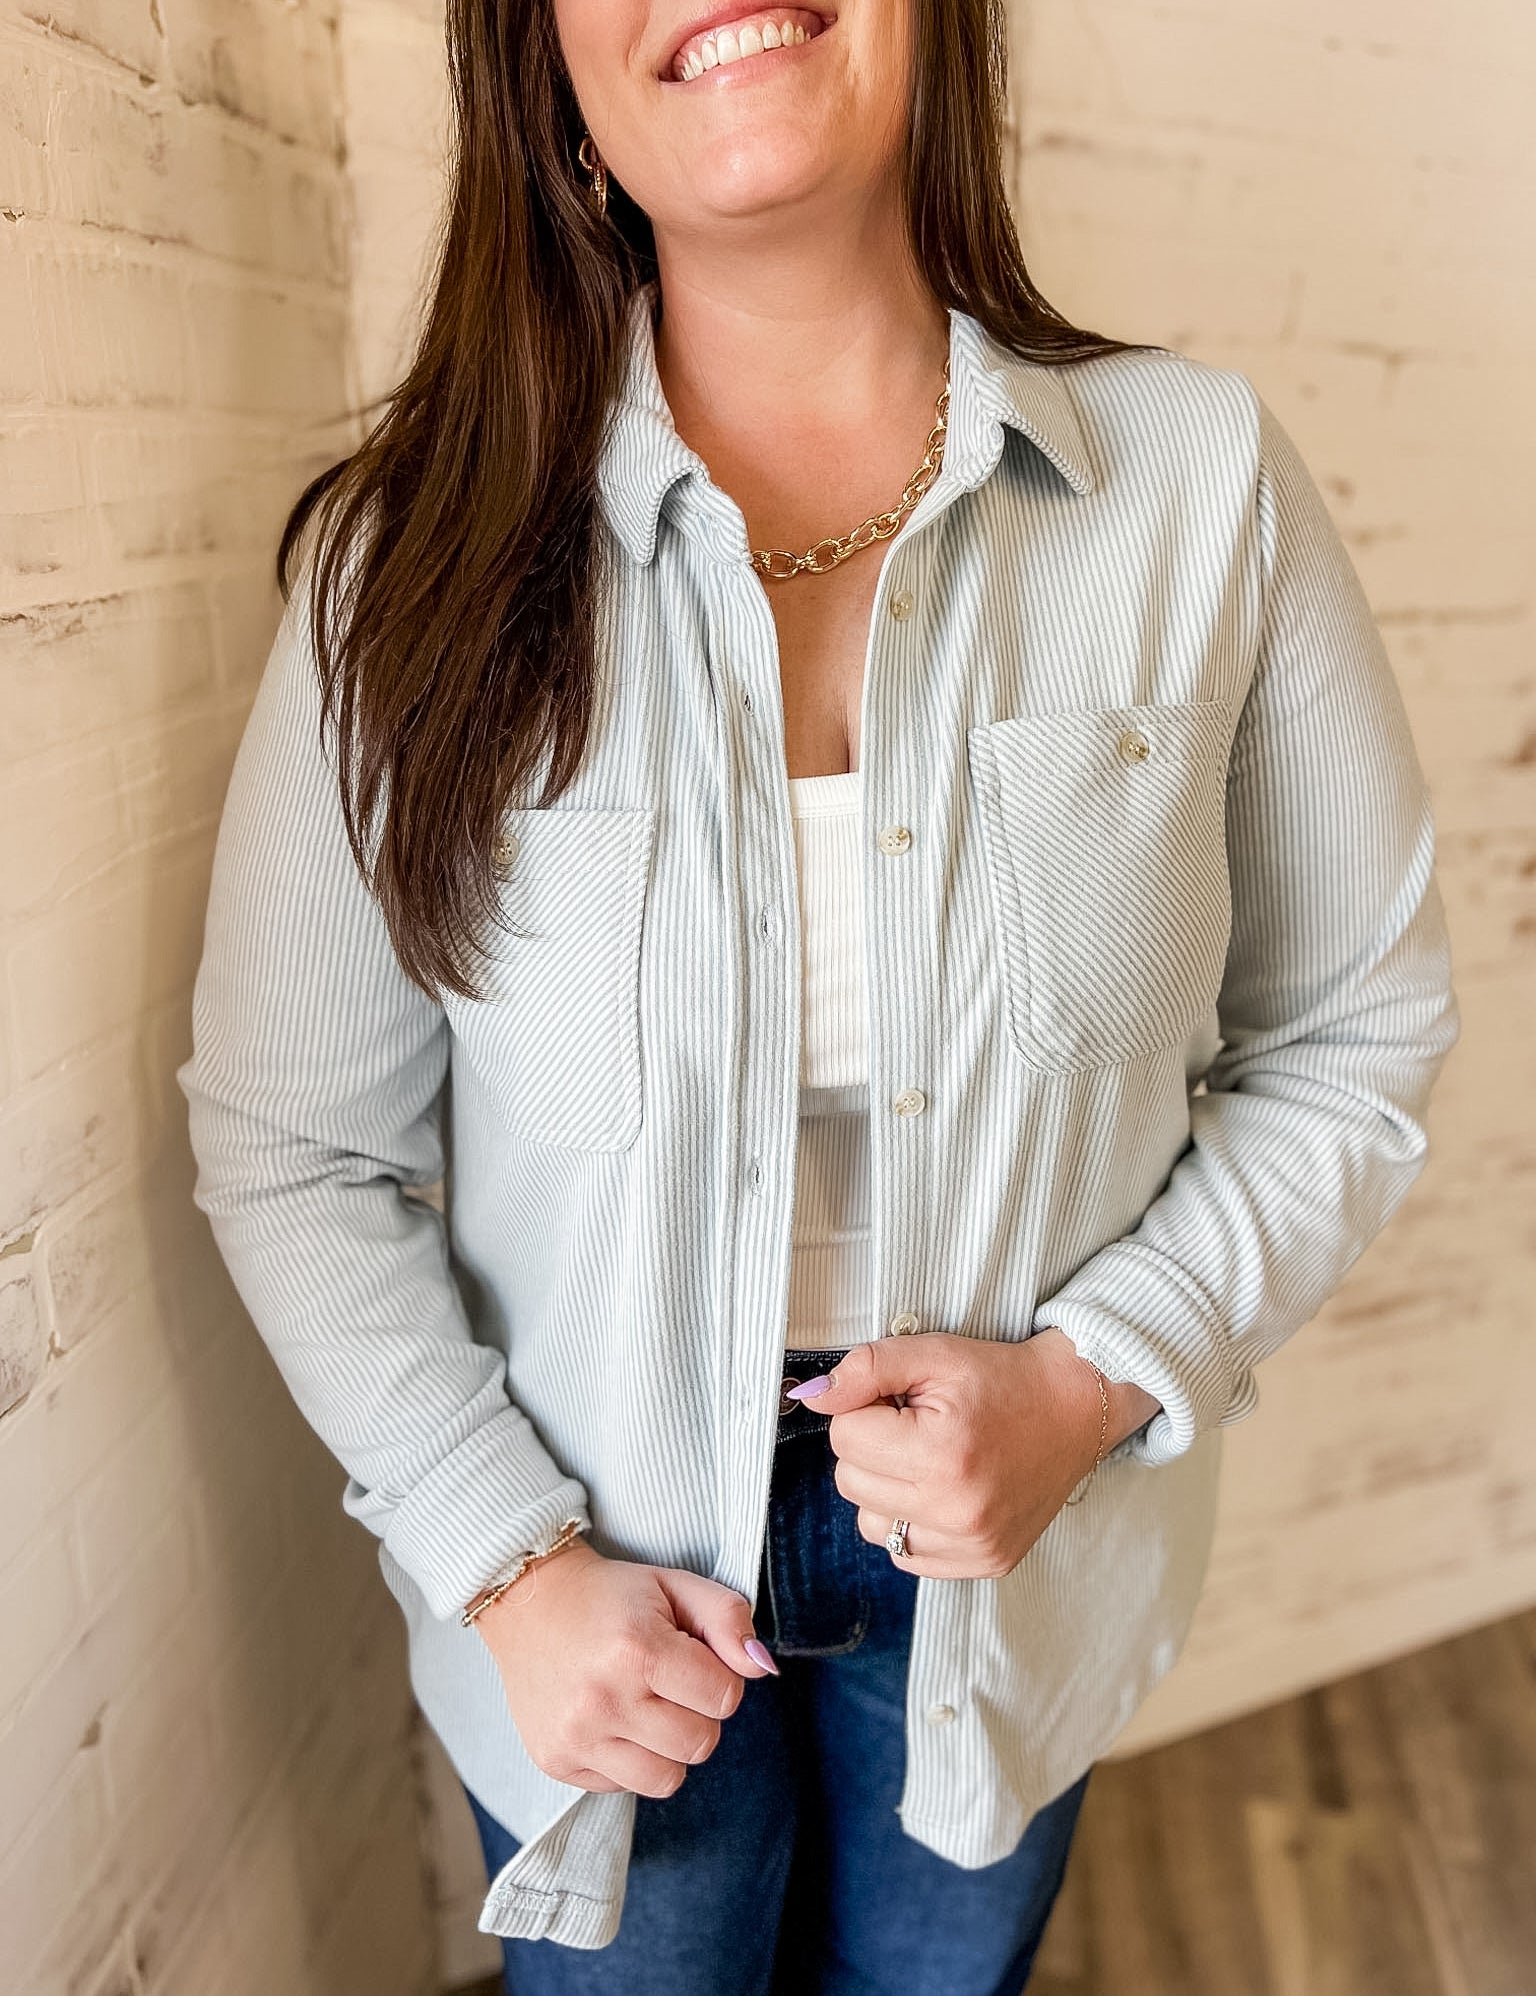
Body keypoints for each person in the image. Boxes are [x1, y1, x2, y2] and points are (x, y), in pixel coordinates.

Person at [179, 1, 1461, 1991]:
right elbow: (291, 1149)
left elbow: (1353, 1038)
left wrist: (1088, 1385)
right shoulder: (398, 569)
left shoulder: (1204, 488)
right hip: (593, 1601)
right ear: (550, 84)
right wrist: (509, 1563)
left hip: (1021, 1559)